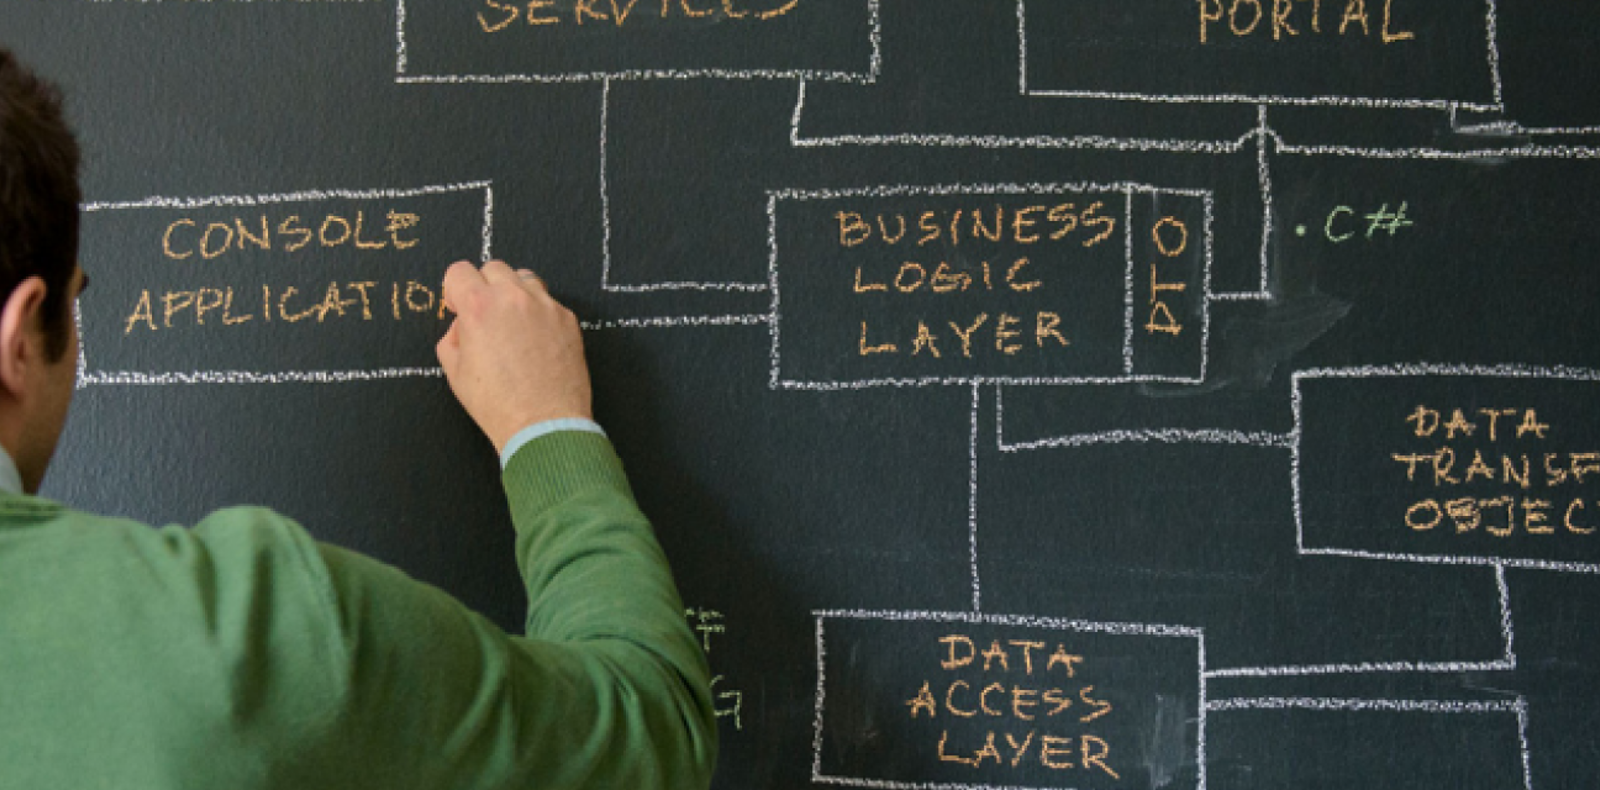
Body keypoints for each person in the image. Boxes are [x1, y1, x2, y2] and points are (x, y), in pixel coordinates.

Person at [0, 49, 718, 788]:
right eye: (78, 294)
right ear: (20, 336)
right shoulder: (241, 633)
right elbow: (649, 731)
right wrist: (546, 427)